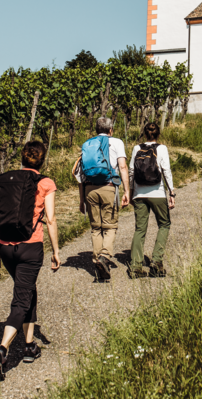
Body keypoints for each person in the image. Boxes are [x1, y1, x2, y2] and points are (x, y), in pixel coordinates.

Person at [0, 141, 60, 381]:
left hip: (6, 247)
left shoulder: (7, 180)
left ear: (22, 158)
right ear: (42, 160)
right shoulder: (45, 183)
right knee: (21, 299)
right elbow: (51, 219)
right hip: (30, 247)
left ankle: (29, 346)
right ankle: (2, 350)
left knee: (28, 290)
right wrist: (56, 250)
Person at [77, 116, 130, 282]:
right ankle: (104, 257)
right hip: (109, 187)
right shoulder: (117, 142)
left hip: (89, 189)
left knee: (95, 228)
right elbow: (122, 166)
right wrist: (127, 190)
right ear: (111, 130)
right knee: (110, 226)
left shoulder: (88, 144)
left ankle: (97, 262)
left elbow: (80, 174)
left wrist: (81, 199)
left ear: (96, 130)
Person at [128, 122, 175, 278]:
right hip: (157, 193)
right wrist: (172, 192)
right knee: (164, 224)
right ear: (158, 134)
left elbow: (131, 171)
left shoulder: (137, 148)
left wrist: (131, 192)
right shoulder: (162, 148)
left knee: (140, 229)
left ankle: (135, 267)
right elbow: (166, 170)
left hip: (139, 194)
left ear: (144, 133)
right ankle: (156, 262)